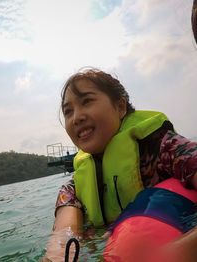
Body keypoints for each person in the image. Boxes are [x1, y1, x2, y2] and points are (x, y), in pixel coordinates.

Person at [43, 68, 197, 261]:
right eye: (68, 111)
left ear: (121, 107)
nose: (76, 117)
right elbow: (62, 240)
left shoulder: (166, 148)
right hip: (115, 246)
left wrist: (178, 251)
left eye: (87, 101)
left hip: (170, 235)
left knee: (132, 244)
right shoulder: (72, 190)